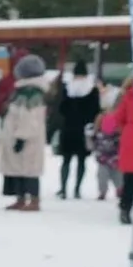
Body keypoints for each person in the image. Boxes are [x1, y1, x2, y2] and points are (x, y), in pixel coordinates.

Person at [1, 54, 51, 211]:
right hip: (18, 136)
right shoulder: (22, 91)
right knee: (19, 170)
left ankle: (34, 200)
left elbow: (30, 118)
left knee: (29, 170)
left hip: (26, 138)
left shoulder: (31, 93)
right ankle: (20, 198)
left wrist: (21, 138)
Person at [57, 61, 102, 200]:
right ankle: (77, 189)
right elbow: (96, 110)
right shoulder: (92, 90)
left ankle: (63, 189)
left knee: (66, 160)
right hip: (84, 130)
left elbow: (60, 109)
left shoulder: (67, 88)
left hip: (68, 128)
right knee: (82, 161)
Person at [102, 78, 133, 225]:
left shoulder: (129, 96)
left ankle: (125, 208)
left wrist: (105, 123)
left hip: (131, 139)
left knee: (130, 179)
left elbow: (117, 118)